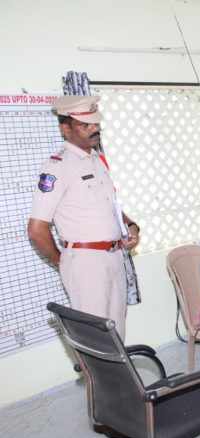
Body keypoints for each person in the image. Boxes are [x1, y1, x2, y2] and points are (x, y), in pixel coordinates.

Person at [27, 95, 139, 340]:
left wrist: (130, 225)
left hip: (114, 257)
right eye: (84, 125)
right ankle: (98, 370)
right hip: (86, 263)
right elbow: (36, 229)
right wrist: (63, 260)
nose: (94, 129)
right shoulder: (58, 167)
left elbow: (109, 206)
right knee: (95, 337)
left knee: (116, 331)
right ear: (65, 129)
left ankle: (118, 368)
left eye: (95, 123)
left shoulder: (97, 160)